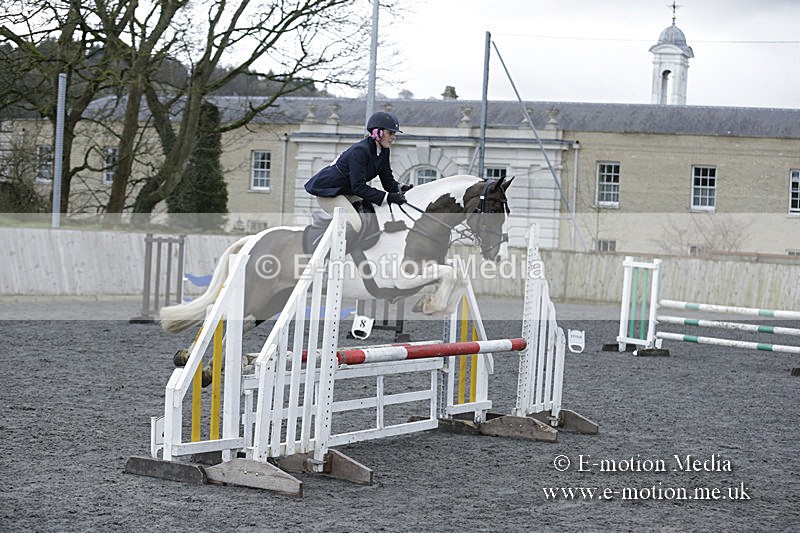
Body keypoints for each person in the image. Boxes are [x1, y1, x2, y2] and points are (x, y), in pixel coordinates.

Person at [304, 111, 412, 245]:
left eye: (394, 134)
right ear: (377, 133)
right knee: (356, 224)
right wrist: (389, 197)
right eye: (390, 133)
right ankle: (327, 255)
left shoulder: (384, 151)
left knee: (375, 212)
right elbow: (359, 187)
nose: (393, 137)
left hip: (347, 191)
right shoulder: (360, 151)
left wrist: (401, 188)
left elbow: (387, 181)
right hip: (329, 192)